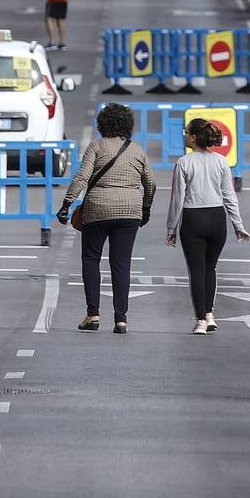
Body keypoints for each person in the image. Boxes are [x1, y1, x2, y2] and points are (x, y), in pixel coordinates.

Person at [57, 103, 157, 334]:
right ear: (128, 125)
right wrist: (146, 207)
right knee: (121, 264)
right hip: (130, 210)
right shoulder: (136, 150)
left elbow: (82, 178)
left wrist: (66, 204)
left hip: (98, 208)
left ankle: (93, 315)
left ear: (102, 124)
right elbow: (151, 182)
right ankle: (121, 320)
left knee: (91, 259)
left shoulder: (97, 146)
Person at [166, 118, 250, 335]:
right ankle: (210, 314)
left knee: (196, 271)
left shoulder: (184, 162)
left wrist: (171, 229)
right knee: (210, 268)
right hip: (217, 219)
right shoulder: (221, 161)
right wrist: (238, 225)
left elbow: (177, 199)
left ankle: (200, 320)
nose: (184, 135)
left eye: (187, 132)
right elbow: (229, 195)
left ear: (194, 137)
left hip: (193, 219)